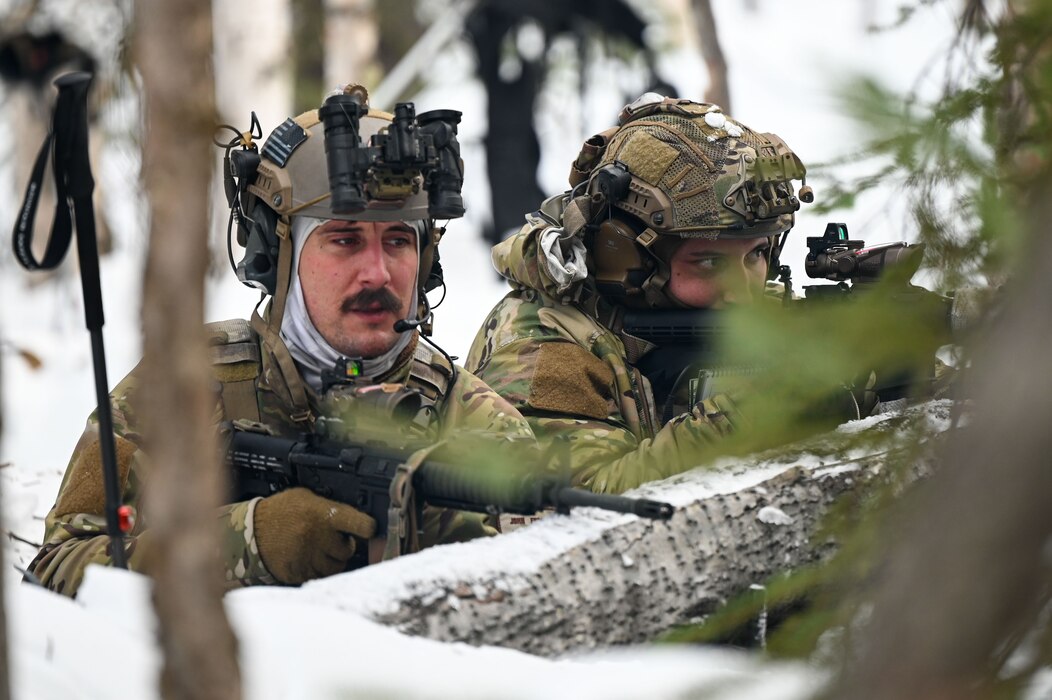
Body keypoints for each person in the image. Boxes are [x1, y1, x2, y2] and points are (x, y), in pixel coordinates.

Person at [28, 85, 535, 596]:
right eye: (344, 239)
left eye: (399, 241)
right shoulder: (181, 387)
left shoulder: (476, 421)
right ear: (280, 254)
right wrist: (249, 542)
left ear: (426, 261)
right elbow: (58, 570)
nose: (378, 273)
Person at [467, 93, 848, 495]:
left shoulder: (715, 309)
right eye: (710, 263)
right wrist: (740, 418)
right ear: (625, 254)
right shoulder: (540, 349)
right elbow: (579, 510)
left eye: (755, 255)